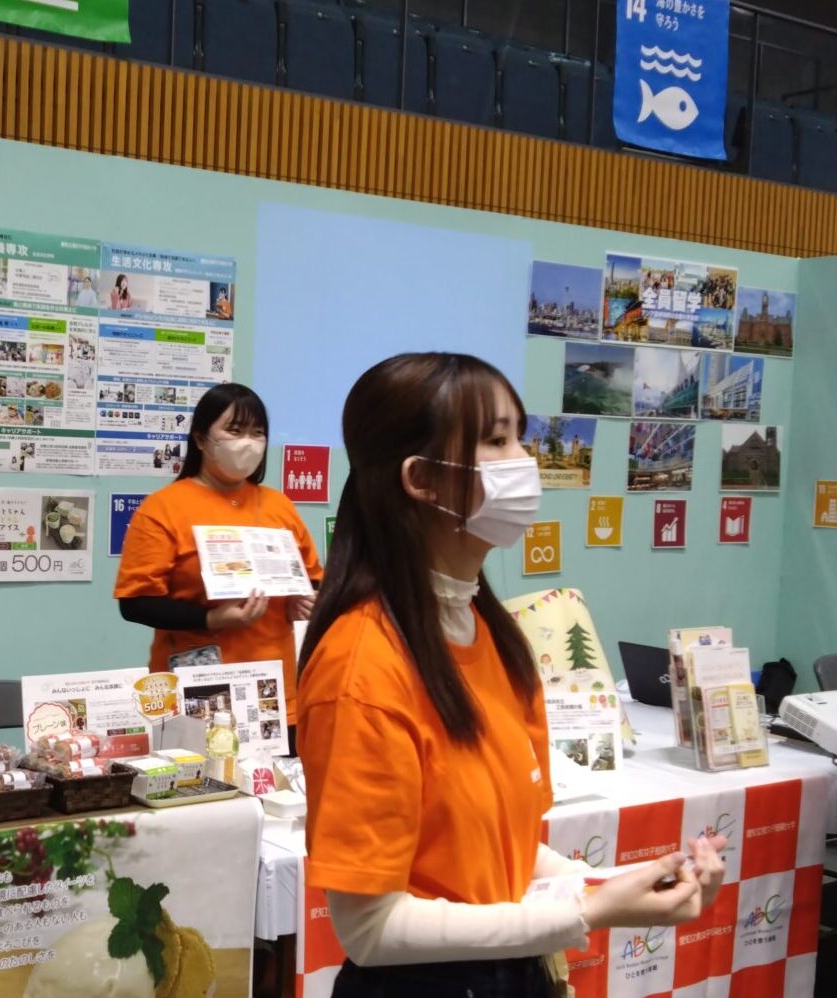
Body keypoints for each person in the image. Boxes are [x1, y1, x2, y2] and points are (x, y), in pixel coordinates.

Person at [297, 353, 725, 996]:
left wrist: (620, 888)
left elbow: (502, 852)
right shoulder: (363, 668)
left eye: (520, 437)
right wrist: (587, 911)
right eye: (497, 441)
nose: (525, 461)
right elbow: (370, 930)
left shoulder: (492, 635)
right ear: (422, 478)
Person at [114, 383, 322, 749]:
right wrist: (212, 619)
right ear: (200, 439)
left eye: (257, 433)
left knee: (276, 783)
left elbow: (312, 580)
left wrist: (303, 601)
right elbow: (136, 603)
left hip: (272, 693)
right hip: (195, 691)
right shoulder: (163, 508)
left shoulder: (279, 506)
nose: (248, 443)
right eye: (234, 430)